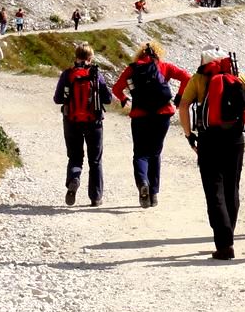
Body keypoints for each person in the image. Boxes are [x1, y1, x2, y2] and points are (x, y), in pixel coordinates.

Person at [179, 48, 245, 260]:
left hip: (209, 139)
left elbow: (184, 106)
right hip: (235, 139)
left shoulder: (198, 79)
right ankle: (228, 235)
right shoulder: (238, 77)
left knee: (214, 190)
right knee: (232, 188)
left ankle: (224, 244)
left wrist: (189, 135)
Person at [112, 42, 190, 208]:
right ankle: (153, 195)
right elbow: (186, 78)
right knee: (155, 153)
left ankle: (142, 183)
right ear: (158, 54)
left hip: (140, 116)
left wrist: (124, 99)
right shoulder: (164, 66)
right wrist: (178, 98)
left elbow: (117, 89)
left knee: (140, 153)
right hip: (162, 115)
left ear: (139, 54)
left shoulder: (132, 69)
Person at [54, 43, 112, 207]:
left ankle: (74, 179)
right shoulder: (96, 75)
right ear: (90, 58)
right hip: (94, 122)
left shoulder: (67, 74)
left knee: (75, 157)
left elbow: (58, 99)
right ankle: (96, 197)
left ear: (76, 56)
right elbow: (107, 99)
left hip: (71, 121)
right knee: (95, 160)